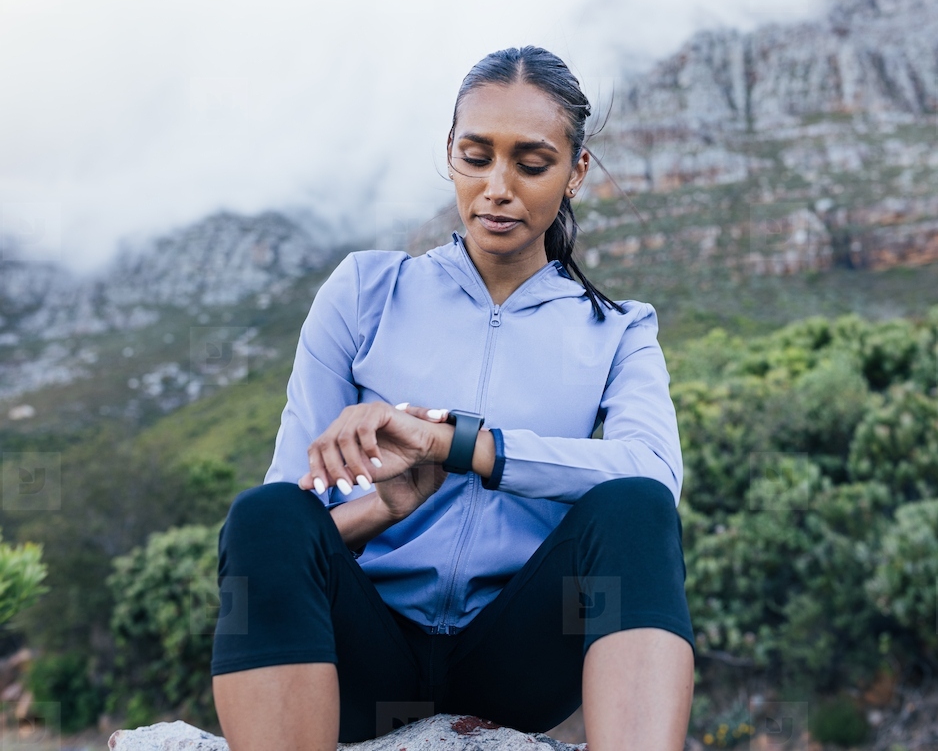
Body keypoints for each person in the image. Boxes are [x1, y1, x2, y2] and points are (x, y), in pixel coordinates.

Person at [208, 45, 696, 751]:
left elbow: (654, 472)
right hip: (366, 659)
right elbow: (285, 532)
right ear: (450, 154)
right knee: (264, 515)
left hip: (520, 658)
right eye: (476, 157)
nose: (498, 187)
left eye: (531, 164)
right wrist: (384, 508)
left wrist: (463, 447)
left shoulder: (618, 332)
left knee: (634, 505)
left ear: (575, 172)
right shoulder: (363, 294)